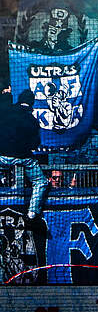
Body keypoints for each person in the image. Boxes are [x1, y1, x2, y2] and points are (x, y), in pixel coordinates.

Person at [0, 90, 48, 219]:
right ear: (32, 103)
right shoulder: (33, 121)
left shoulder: (6, 112)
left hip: (2, 156)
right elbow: (35, 144)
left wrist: (6, 94)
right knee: (40, 181)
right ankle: (32, 213)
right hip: (24, 158)